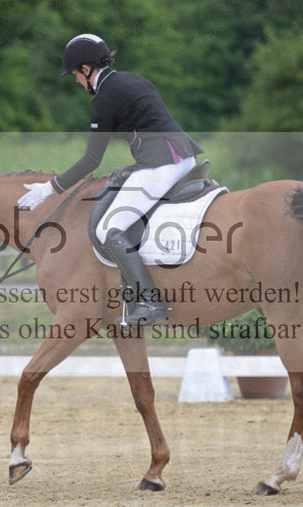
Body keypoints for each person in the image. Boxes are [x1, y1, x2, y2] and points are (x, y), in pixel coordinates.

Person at [17, 33, 203, 326]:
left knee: (109, 229)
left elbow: (91, 161)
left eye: (75, 75)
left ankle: (149, 303)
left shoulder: (104, 98)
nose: (76, 81)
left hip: (163, 164)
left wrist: (49, 188)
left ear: (87, 69)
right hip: (183, 156)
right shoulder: (132, 80)